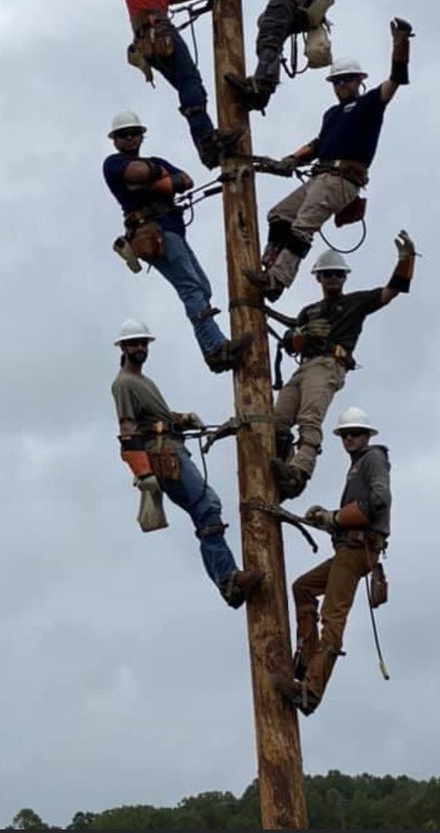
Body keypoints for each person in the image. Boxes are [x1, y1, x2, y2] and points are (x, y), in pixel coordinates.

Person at [246, 21, 411, 300]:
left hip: (342, 179)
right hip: (320, 176)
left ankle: (276, 281)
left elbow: (395, 80)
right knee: (279, 214)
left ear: (359, 80)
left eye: (347, 80)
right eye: (337, 81)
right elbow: (318, 145)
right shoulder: (332, 114)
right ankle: (271, 264)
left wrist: (400, 44)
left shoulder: (369, 104)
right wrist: (289, 160)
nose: (341, 85)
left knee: (303, 227)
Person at [110, 319, 263, 608]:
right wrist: (143, 472)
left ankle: (229, 582)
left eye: (143, 343)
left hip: (172, 447)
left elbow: (156, 417)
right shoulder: (124, 384)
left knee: (205, 509)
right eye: (134, 344)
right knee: (207, 507)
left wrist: (182, 419)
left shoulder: (143, 381)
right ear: (123, 348)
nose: (140, 347)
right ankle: (228, 579)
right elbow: (128, 431)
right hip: (162, 453)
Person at [103, 112, 253, 373]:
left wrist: (152, 181)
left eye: (134, 133)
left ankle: (213, 345)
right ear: (115, 140)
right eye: (123, 135)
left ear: (141, 136)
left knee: (202, 287)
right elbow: (137, 172)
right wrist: (161, 180)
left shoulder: (155, 161)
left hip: (171, 232)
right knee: (191, 288)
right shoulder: (113, 163)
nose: (129, 138)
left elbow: (185, 180)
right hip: (153, 233)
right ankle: (216, 349)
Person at [80, 0, 241, 168]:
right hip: (157, 33)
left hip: (153, 40)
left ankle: (208, 147)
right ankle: (207, 140)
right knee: (190, 82)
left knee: (192, 89)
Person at [270, 235, 415, 500]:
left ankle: (298, 473)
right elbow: (290, 343)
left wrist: (406, 260)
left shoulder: (354, 303)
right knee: (276, 423)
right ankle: (280, 468)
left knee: (309, 418)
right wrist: (303, 334)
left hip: (328, 365)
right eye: (328, 274)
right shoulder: (309, 311)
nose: (333, 278)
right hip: (304, 367)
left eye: (338, 274)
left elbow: (391, 291)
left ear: (345, 277)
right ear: (319, 278)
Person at [273, 406, 390, 716]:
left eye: (355, 434)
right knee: (303, 587)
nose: (349, 439)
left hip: (357, 550)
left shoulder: (373, 458)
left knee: (332, 617)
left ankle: (311, 691)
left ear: (367, 435)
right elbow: (355, 516)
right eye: (345, 434)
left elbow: (379, 501)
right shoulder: (358, 465)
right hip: (348, 547)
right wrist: (327, 520)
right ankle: (305, 663)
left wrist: (334, 518)